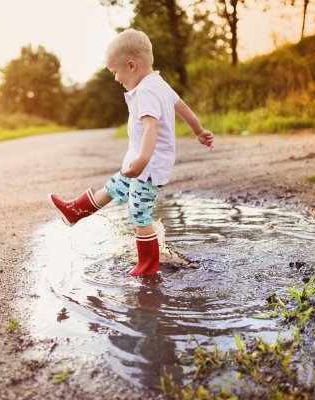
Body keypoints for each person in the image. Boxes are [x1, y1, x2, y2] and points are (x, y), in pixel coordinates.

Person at [47, 28, 214, 276]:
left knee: (139, 212)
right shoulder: (160, 84)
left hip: (146, 168)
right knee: (113, 187)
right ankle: (75, 211)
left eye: (116, 72)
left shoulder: (146, 91)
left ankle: (148, 266)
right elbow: (183, 108)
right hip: (142, 164)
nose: (115, 79)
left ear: (132, 65)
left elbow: (151, 126)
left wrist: (142, 160)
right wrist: (199, 131)